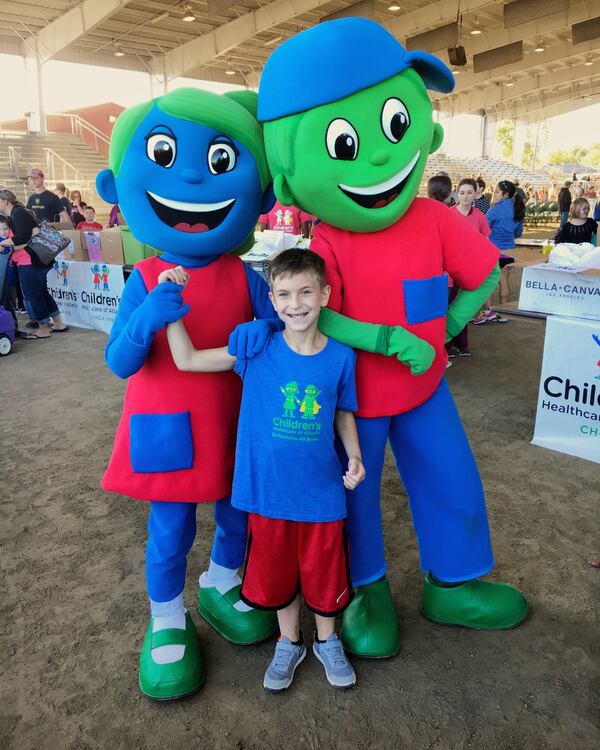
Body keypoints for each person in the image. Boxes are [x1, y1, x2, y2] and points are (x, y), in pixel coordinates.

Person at [252, 17, 527, 659]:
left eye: (395, 126)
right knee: (354, 491)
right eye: (345, 144)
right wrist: (387, 339)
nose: (378, 154)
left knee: (450, 476)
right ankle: (365, 591)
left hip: (426, 389)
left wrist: (452, 323)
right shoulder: (327, 242)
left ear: (423, 128)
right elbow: (321, 311)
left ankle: (454, 581)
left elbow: (484, 270)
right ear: (290, 174)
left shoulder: (432, 217)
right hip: (356, 398)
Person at [161, 250, 365, 691]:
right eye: (285, 294)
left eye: (306, 291)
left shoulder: (342, 358)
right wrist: (169, 303)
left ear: (324, 295)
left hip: (321, 494)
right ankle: (289, 641)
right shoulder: (256, 350)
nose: (297, 303)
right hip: (267, 494)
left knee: (324, 574)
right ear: (272, 299)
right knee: (277, 575)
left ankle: (326, 641)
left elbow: (343, 411)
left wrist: (355, 456)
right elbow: (188, 360)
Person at [0, 188, 69, 339]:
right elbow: (28, 234)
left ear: (5, 201)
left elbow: (24, 236)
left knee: (33, 295)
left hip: (29, 261)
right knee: (42, 292)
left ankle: (43, 328)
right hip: (32, 260)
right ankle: (58, 323)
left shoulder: (17, 213)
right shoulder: (14, 213)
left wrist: (4, 243)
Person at [474, 180, 524, 322]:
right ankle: (503, 313)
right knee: (504, 281)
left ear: (505, 193)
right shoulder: (517, 208)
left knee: (488, 283)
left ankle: (488, 312)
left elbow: (484, 229)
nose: (494, 195)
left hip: (493, 252)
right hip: (510, 252)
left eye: (496, 192)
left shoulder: (494, 209)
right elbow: (518, 233)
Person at [451, 178, 491, 355]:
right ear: (456, 194)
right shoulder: (449, 214)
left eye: (469, 192)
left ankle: (463, 345)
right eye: (461, 192)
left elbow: (486, 241)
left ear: (475, 194)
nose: (465, 196)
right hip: (451, 270)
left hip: (470, 270)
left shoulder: (479, 216)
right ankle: (447, 346)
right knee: (450, 307)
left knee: (464, 308)